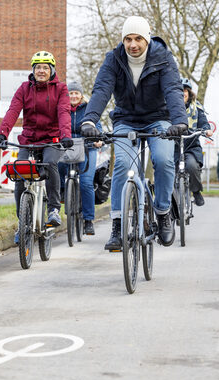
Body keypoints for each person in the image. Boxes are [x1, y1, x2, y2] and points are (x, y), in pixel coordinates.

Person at [80, 16, 188, 250]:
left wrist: (179, 121)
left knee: (163, 160)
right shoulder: (114, 59)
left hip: (159, 118)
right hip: (126, 120)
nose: (133, 44)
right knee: (122, 166)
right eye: (128, 39)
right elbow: (101, 90)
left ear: (147, 39)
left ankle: (162, 212)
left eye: (138, 38)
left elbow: (172, 89)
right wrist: (89, 120)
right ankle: (118, 226)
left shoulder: (163, 57)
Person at [0, 51, 73, 243]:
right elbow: (13, 111)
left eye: (45, 67)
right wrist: (2, 133)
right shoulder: (24, 88)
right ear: (33, 70)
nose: (41, 71)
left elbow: (63, 112)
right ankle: (24, 223)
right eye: (38, 67)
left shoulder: (61, 89)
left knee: (50, 163)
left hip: (52, 139)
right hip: (28, 139)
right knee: (20, 171)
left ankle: (53, 209)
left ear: (51, 70)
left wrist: (66, 135)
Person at [57, 81, 103, 235]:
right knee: (59, 167)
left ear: (81, 95)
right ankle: (63, 191)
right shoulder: (62, 109)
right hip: (66, 148)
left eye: (76, 93)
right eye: (71, 93)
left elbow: (98, 127)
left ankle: (88, 220)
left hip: (87, 148)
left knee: (86, 183)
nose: (73, 96)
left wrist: (98, 140)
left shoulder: (89, 109)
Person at [180, 77, 213, 207]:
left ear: (188, 93)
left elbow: (204, 122)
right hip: (172, 147)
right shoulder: (168, 108)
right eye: (178, 90)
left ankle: (196, 191)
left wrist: (206, 130)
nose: (182, 93)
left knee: (192, 166)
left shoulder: (196, 107)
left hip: (190, 146)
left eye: (184, 91)